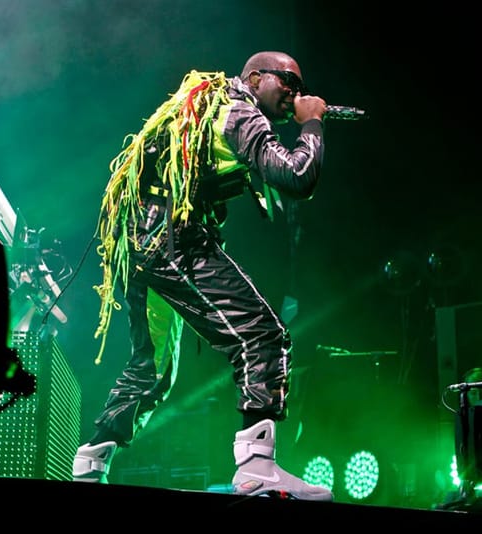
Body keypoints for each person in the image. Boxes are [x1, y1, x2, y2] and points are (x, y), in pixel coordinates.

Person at [71, 51, 331, 501]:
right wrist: (312, 125)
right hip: (174, 240)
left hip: (142, 239)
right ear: (255, 77)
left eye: (298, 84)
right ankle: (257, 468)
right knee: (262, 335)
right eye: (286, 80)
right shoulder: (239, 110)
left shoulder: (211, 103)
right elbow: (296, 177)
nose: (293, 90)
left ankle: (92, 459)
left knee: (152, 368)